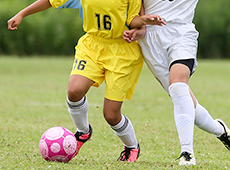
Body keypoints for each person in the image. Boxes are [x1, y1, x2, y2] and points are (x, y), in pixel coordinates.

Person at [8, 0, 165, 162]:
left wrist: (143, 21)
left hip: (122, 52)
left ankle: (132, 146)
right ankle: (83, 132)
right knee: (74, 91)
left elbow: (133, 20)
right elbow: (50, 1)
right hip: (92, 45)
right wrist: (21, 14)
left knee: (111, 115)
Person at [123, 0, 230, 165]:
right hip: (152, 40)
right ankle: (221, 131)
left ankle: (187, 152)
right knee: (186, 101)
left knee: (178, 84)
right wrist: (141, 29)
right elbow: (138, 10)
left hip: (182, 32)